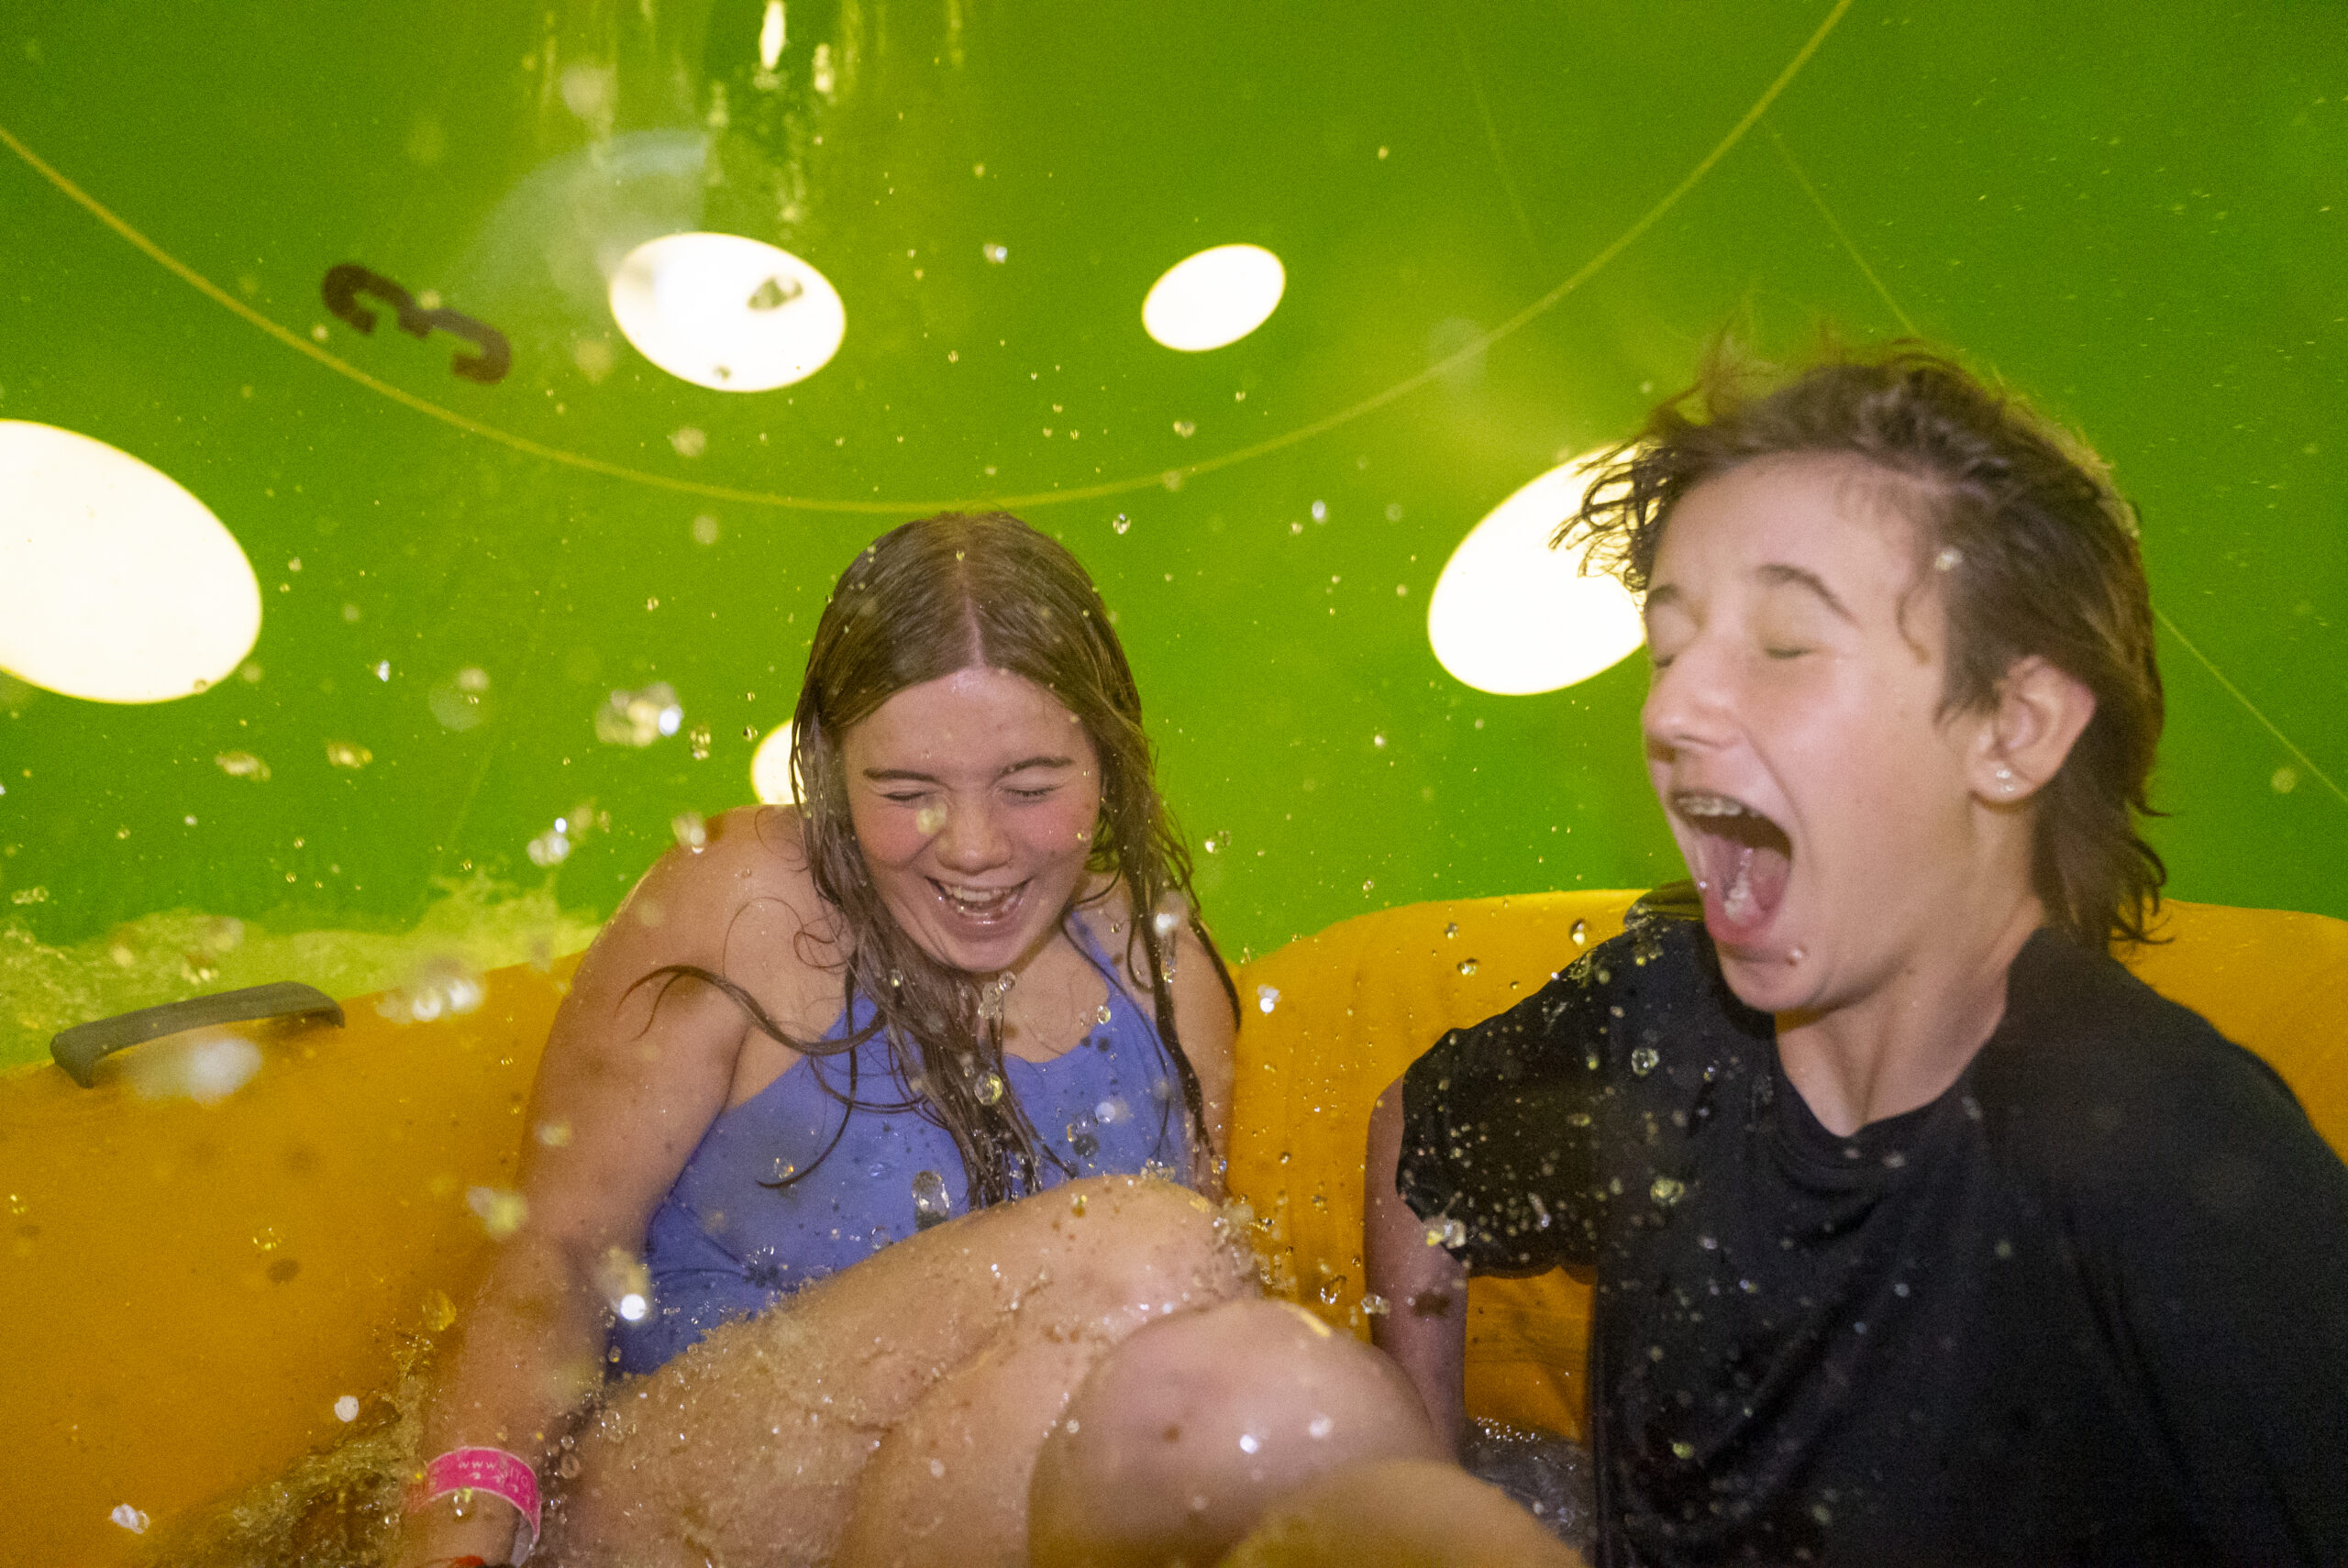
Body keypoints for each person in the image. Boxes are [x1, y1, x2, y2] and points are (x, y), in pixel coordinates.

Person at [1366, 345, 2348, 1563]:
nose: (1668, 712)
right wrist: (1423, 1470)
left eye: (1784, 644)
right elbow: (1421, 1132)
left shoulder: (2154, 1154)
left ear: (2012, 727)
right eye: (1670, 649)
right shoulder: (1656, 1026)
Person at [396, 511, 1257, 1567]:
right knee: (1149, 1252)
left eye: (1032, 788)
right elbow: (555, 1262)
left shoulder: (1157, 967)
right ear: (830, 773)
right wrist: (464, 1528)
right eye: (906, 794)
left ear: (1110, 762)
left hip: (974, 1514)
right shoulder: (744, 903)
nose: (976, 851)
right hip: (672, 1511)